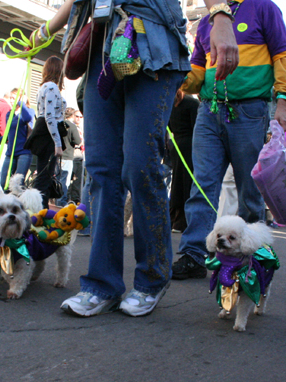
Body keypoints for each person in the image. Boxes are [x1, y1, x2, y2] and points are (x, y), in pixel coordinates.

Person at [30, 0, 238, 317]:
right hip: (101, 47)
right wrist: (45, 30)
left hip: (153, 41)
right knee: (100, 172)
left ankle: (151, 279)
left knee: (141, 167)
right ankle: (101, 284)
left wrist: (220, 15)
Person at [172, 0, 286, 280]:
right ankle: (194, 254)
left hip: (250, 110)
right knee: (201, 185)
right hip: (208, 110)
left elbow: (283, 57)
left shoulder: (264, 8)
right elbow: (198, 72)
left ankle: (253, 260)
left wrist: (283, 102)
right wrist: (177, 82)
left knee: (249, 191)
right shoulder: (206, 22)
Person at [24, 56, 66, 209]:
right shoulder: (51, 87)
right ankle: (39, 213)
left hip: (45, 131)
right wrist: (57, 143)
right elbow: (49, 116)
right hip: (48, 134)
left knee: (44, 176)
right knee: (44, 177)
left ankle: (40, 211)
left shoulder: (44, 87)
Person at [0, 97, 35, 191]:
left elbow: (27, 118)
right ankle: (8, 202)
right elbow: (9, 134)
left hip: (24, 152)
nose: (12, 101)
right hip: (10, 153)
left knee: (18, 184)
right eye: (11, 98)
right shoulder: (9, 114)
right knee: (4, 182)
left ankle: (20, 203)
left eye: (14, 98)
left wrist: (21, 103)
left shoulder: (29, 111)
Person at [168, 90, 199, 233]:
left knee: (177, 183)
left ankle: (175, 219)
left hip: (176, 145)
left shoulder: (169, 104)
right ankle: (183, 221)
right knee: (186, 183)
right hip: (189, 146)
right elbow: (196, 129)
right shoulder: (192, 103)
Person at [56, 107, 81, 207]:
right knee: (64, 182)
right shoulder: (72, 126)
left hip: (58, 156)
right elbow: (78, 141)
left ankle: (57, 201)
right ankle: (62, 203)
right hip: (68, 157)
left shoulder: (59, 125)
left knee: (58, 180)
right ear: (72, 115)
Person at [68, 110, 84, 204]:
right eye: (76, 116)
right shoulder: (71, 127)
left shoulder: (81, 129)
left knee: (78, 180)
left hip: (80, 156)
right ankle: (68, 199)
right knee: (70, 179)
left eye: (80, 117)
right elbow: (76, 141)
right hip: (72, 156)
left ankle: (76, 199)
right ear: (73, 116)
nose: (78, 118)